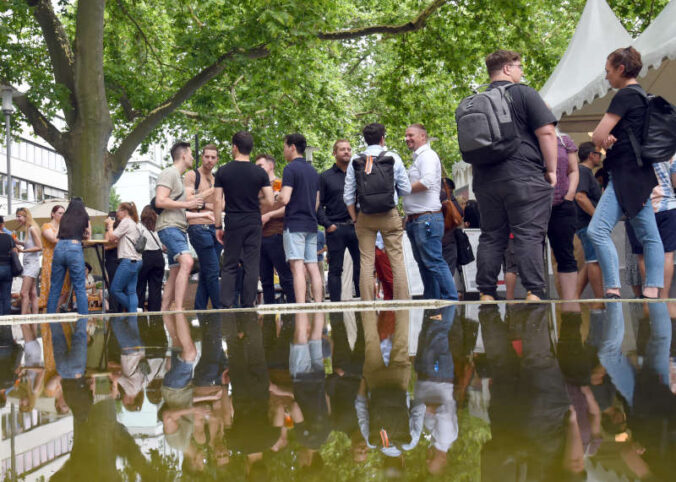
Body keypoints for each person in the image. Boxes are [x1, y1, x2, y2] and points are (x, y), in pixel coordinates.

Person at [472, 50, 557, 301]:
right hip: (523, 176)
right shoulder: (524, 93)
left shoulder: (475, 101)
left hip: (485, 181)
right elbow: (547, 133)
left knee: (491, 235)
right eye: (519, 66)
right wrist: (551, 170)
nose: (522, 71)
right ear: (507, 69)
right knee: (528, 232)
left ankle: (486, 293)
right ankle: (534, 291)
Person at [588, 46, 664, 299]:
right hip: (641, 174)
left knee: (597, 231)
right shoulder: (644, 96)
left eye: (608, 71)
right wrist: (611, 139)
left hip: (624, 175)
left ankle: (612, 288)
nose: (606, 76)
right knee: (649, 235)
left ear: (621, 69)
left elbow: (597, 135)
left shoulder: (624, 95)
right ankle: (652, 290)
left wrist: (604, 139)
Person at [344, 123, 412, 300]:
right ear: (383, 139)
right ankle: (402, 305)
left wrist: (355, 218)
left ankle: (367, 306)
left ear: (365, 140)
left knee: (366, 262)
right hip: (389, 214)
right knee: (396, 261)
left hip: (365, 215)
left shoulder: (355, 161)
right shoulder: (393, 158)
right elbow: (407, 189)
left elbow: (348, 196)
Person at [214, 131, 273, 308]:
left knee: (230, 264)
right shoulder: (260, 173)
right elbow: (270, 200)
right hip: (253, 221)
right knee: (252, 264)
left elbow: (217, 200)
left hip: (233, 220)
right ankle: (248, 303)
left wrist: (218, 225)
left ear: (235, 147)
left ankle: (226, 304)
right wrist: (256, 202)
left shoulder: (223, 171)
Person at [403, 124, 458, 300]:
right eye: (406, 136)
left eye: (411, 135)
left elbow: (426, 182)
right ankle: (432, 302)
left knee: (433, 262)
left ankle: (450, 300)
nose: (407, 139)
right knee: (425, 264)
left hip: (426, 218)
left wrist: (401, 189)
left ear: (423, 137)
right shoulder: (418, 158)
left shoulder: (427, 156)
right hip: (417, 219)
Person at [155, 141, 204, 312]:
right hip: (170, 228)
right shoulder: (170, 173)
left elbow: (178, 210)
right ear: (184, 155)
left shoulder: (177, 177)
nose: (193, 158)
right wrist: (188, 203)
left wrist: (204, 214)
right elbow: (160, 201)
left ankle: (165, 309)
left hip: (176, 227)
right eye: (191, 154)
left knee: (175, 271)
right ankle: (179, 309)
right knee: (187, 261)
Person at [625, 154, 676, 307]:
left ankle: (650, 300)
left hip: (637, 207)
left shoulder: (631, 150)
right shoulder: (669, 150)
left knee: (643, 256)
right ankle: (664, 298)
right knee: (667, 255)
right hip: (666, 206)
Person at [278, 133, 323, 304]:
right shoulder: (313, 171)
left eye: (284, 147)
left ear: (292, 147)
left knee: (297, 267)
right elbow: (317, 201)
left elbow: (285, 198)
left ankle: (300, 305)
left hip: (294, 224)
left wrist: (277, 197)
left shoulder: (290, 169)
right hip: (311, 224)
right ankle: (318, 303)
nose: (284, 151)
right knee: (312, 266)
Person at [318, 140, 361, 301]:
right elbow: (318, 205)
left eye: (349, 149)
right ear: (334, 153)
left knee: (362, 267)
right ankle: (336, 311)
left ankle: (364, 304)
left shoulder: (358, 175)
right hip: (335, 229)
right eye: (342, 149)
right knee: (335, 270)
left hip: (356, 228)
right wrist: (328, 225)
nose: (346, 152)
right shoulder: (325, 177)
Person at [255, 154, 296, 304]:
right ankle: (269, 319)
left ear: (271, 165)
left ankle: (293, 313)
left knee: (286, 277)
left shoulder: (282, 184)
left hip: (277, 236)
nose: (257, 169)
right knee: (265, 280)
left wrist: (269, 215)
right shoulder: (256, 188)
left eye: (260, 165)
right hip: (260, 238)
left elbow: (290, 208)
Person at [184, 143, 220, 310]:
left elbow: (222, 205)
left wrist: (203, 203)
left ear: (217, 159)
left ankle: (200, 310)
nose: (209, 160)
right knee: (213, 270)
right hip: (198, 227)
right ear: (202, 157)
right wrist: (210, 192)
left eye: (213, 157)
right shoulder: (192, 175)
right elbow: (189, 201)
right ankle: (223, 309)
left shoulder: (216, 178)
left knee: (207, 272)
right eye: (207, 156)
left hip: (215, 228)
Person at [547, 130, 579, 300]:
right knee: (531, 253)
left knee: (565, 254)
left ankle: (570, 303)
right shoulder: (526, 139)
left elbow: (573, 170)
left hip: (562, 204)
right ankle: (536, 297)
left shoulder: (564, 140)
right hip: (535, 207)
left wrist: (569, 196)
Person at [47, 198, 91, 314]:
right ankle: (83, 321)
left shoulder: (64, 217)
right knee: (79, 287)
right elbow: (88, 235)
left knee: (55, 287)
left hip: (59, 247)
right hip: (74, 247)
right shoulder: (84, 216)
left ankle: (49, 320)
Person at [574, 142, 604, 300]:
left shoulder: (584, 172)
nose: (601, 156)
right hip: (587, 223)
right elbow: (580, 197)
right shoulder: (583, 172)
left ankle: (575, 297)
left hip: (586, 223)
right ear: (592, 155)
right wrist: (597, 217)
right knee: (594, 260)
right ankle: (599, 299)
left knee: (589, 261)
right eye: (599, 154)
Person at [105, 202, 143, 313]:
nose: (117, 213)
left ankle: (133, 310)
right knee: (131, 291)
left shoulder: (125, 222)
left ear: (125, 212)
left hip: (127, 260)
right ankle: (133, 314)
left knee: (115, 290)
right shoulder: (134, 223)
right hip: (137, 260)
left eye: (118, 210)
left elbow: (112, 237)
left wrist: (110, 225)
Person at [38, 205, 69, 312]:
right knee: (52, 286)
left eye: (64, 213)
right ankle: (49, 311)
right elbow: (53, 239)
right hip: (50, 258)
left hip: (63, 258)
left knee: (65, 288)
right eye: (60, 213)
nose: (62, 215)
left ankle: (55, 310)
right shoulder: (46, 226)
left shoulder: (65, 227)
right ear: (52, 214)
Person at [136, 205, 165, 312]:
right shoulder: (158, 226)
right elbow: (164, 246)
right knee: (156, 288)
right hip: (158, 257)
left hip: (145, 257)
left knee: (140, 286)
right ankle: (155, 314)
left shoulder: (139, 226)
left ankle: (140, 313)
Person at [14, 207, 42, 314]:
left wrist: (23, 251)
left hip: (31, 265)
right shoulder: (29, 229)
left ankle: (23, 318)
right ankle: (34, 319)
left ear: (26, 217)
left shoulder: (32, 229)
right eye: (17, 216)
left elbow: (39, 247)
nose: (18, 219)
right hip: (29, 264)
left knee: (23, 293)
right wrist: (19, 242)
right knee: (33, 293)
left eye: (19, 216)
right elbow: (30, 244)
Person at [0, 216, 16, 315]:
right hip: (7, 268)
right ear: (2, 224)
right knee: (6, 296)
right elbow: (15, 253)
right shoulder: (9, 237)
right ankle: (7, 324)